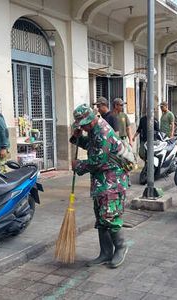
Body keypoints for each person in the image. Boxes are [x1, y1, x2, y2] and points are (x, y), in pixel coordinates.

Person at [70, 103, 129, 268]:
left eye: (83, 126)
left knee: (109, 215)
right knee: (101, 217)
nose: (83, 128)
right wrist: (76, 137)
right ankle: (105, 253)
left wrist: (79, 165)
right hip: (101, 181)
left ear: (90, 121)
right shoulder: (93, 130)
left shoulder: (102, 132)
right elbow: (90, 146)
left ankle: (121, 247)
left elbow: (98, 161)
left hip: (112, 181)